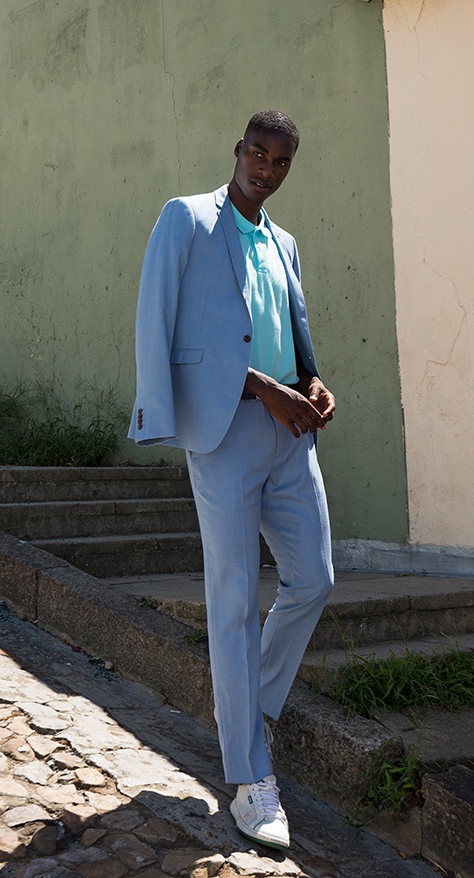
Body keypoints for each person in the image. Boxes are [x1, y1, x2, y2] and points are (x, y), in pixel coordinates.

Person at [129, 109, 335, 849]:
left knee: (313, 579)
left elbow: (292, 330)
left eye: (280, 160)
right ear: (238, 149)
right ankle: (251, 780)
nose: (266, 167)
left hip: (289, 433)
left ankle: (249, 705)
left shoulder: (284, 243)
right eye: (257, 152)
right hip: (224, 431)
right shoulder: (186, 220)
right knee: (233, 597)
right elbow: (159, 318)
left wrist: (312, 382)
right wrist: (173, 409)